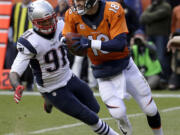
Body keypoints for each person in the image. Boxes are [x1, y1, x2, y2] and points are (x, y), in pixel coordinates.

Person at [9, 1, 119, 135]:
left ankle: (49, 101)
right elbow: (14, 72)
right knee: (91, 118)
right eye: (44, 22)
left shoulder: (61, 24)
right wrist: (17, 86)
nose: (49, 24)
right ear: (34, 22)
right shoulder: (29, 42)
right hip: (52, 88)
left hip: (69, 77)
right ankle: (49, 98)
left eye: (50, 20)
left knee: (95, 108)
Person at [62, 0, 164, 135]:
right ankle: (123, 124)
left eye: (81, 0)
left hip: (125, 66)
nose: (77, 3)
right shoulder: (71, 15)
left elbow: (120, 43)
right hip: (102, 72)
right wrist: (69, 44)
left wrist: (90, 43)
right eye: (76, 0)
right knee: (118, 113)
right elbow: (67, 39)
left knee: (150, 108)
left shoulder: (113, 9)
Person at [140, 0, 172, 85]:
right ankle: (154, 77)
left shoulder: (166, 6)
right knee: (150, 58)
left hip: (161, 35)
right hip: (150, 35)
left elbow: (154, 16)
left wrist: (148, 17)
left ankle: (164, 78)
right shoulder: (151, 6)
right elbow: (142, 18)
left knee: (161, 57)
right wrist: (149, 16)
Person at [7, 0, 34, 91]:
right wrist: (10, 37)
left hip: (30, 41)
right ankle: (16, 84)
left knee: (30, 63)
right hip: (16, 40)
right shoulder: (16, 7)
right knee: (15, 63)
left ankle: (30, 84)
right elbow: (11, 23)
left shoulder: (34, 7)